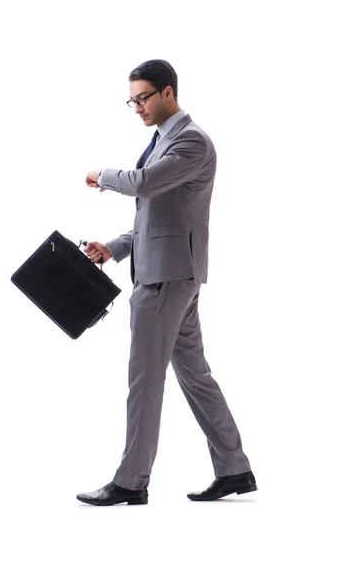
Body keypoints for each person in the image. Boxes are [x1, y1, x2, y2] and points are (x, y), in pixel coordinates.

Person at [78, 59, 257, 506]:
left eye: (143, 97)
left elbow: (144, 184)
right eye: (132, 100)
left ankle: (131, 480)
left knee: (144, 379)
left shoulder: (191, 141)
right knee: (196, 376)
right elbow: (161, 216)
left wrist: (104, 175)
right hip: (172, 272)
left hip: (164, 281)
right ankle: (235, 469)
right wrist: (115, 248)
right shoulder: (164, 140)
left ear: (168, 93)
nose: (136, 107)